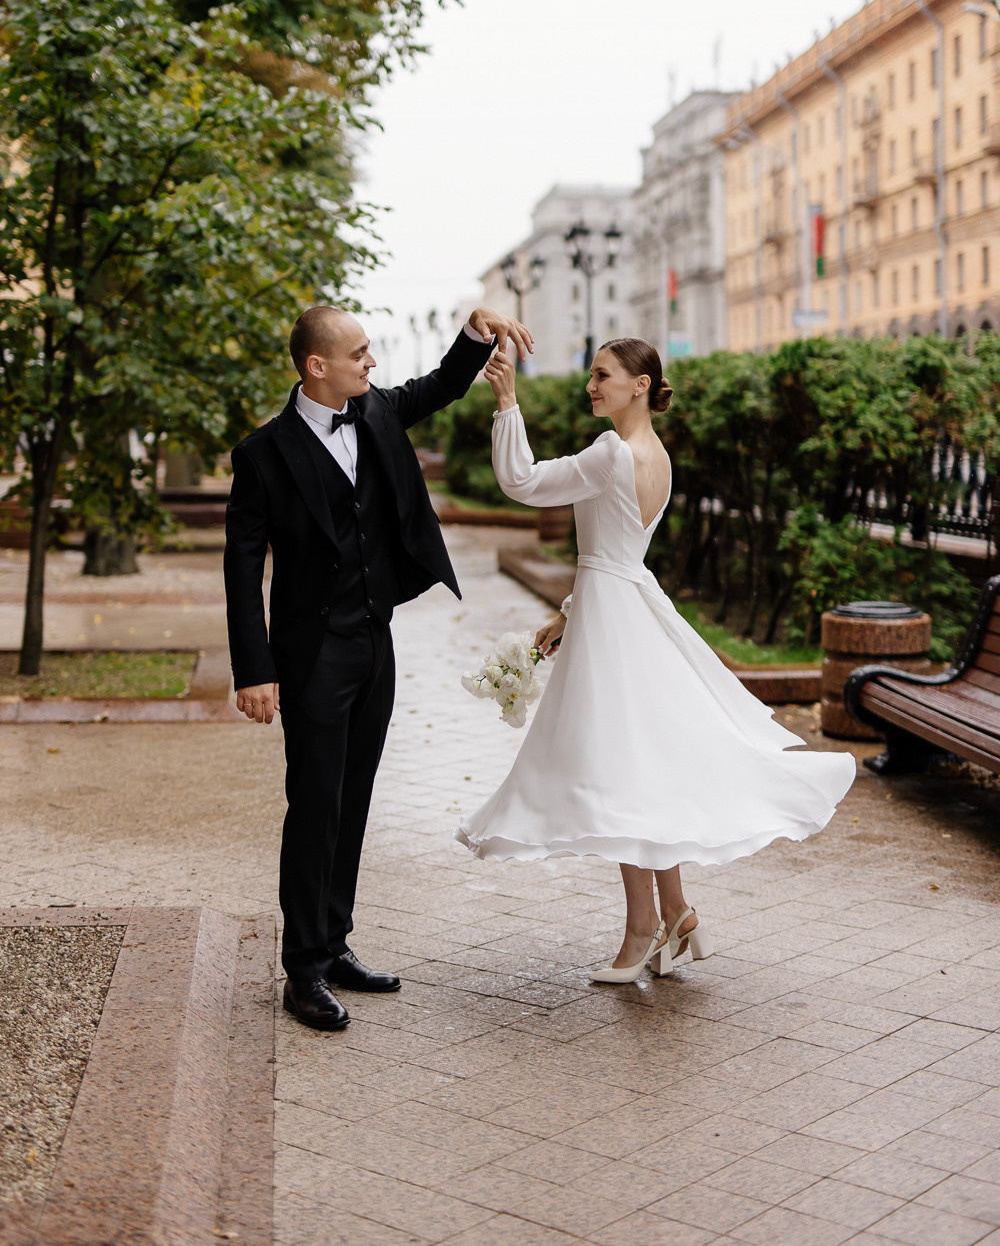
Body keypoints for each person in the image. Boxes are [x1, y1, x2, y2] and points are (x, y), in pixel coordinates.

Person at [458, 337, 855, 983]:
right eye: (592, 374)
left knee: (622, 777)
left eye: (603, 375)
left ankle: (642, 930)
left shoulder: (609, 452)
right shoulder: (658, 457)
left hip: (615, 625)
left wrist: (506, 401)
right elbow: (616, 555)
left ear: (640, 384)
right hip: (626, 613)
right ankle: (677, 913)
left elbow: (521, 481)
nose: (592, 385)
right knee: (640, 770)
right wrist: (569, 613)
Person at [225, 303, 532, 1030]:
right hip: (311, 654)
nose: (371, 362)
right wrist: (253, 669)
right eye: (358, 353)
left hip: (373, 641)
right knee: (315, 804)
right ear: (317, 367)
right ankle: (302, 970)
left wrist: (476, 332)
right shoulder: (262, 454)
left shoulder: (378, 412)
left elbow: (443, 384)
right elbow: (241, 567)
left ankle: (334, 946)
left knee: (354, 796)